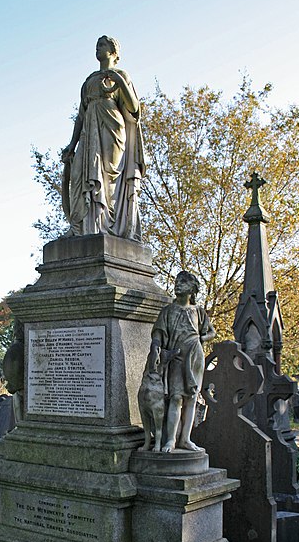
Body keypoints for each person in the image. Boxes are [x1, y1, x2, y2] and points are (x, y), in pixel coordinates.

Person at [61, 35, 145, 240]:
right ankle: (80, 226)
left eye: (102, 45)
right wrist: (72, 145)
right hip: (88, 134)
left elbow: (134, 108)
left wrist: (120, 84)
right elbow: (81, 115)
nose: (97, 48)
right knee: (80, 174)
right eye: (97, 45)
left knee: (108, 178)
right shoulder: (89, 81)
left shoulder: (121, 76)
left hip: (112, 130)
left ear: (113, 52)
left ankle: (107, 226)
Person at [148, 271, 216, 451]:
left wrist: (201, 339)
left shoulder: (198, 311)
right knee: (176, 397)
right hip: (176, 356)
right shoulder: (168, 310)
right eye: (177, 281)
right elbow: (158, 333)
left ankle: (185, 438)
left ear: (192, 289)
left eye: (183, 282)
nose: (178, 284)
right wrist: (156, 346)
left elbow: (211, 332)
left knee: (192, 398)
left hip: (194, 356)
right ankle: (171, 439)